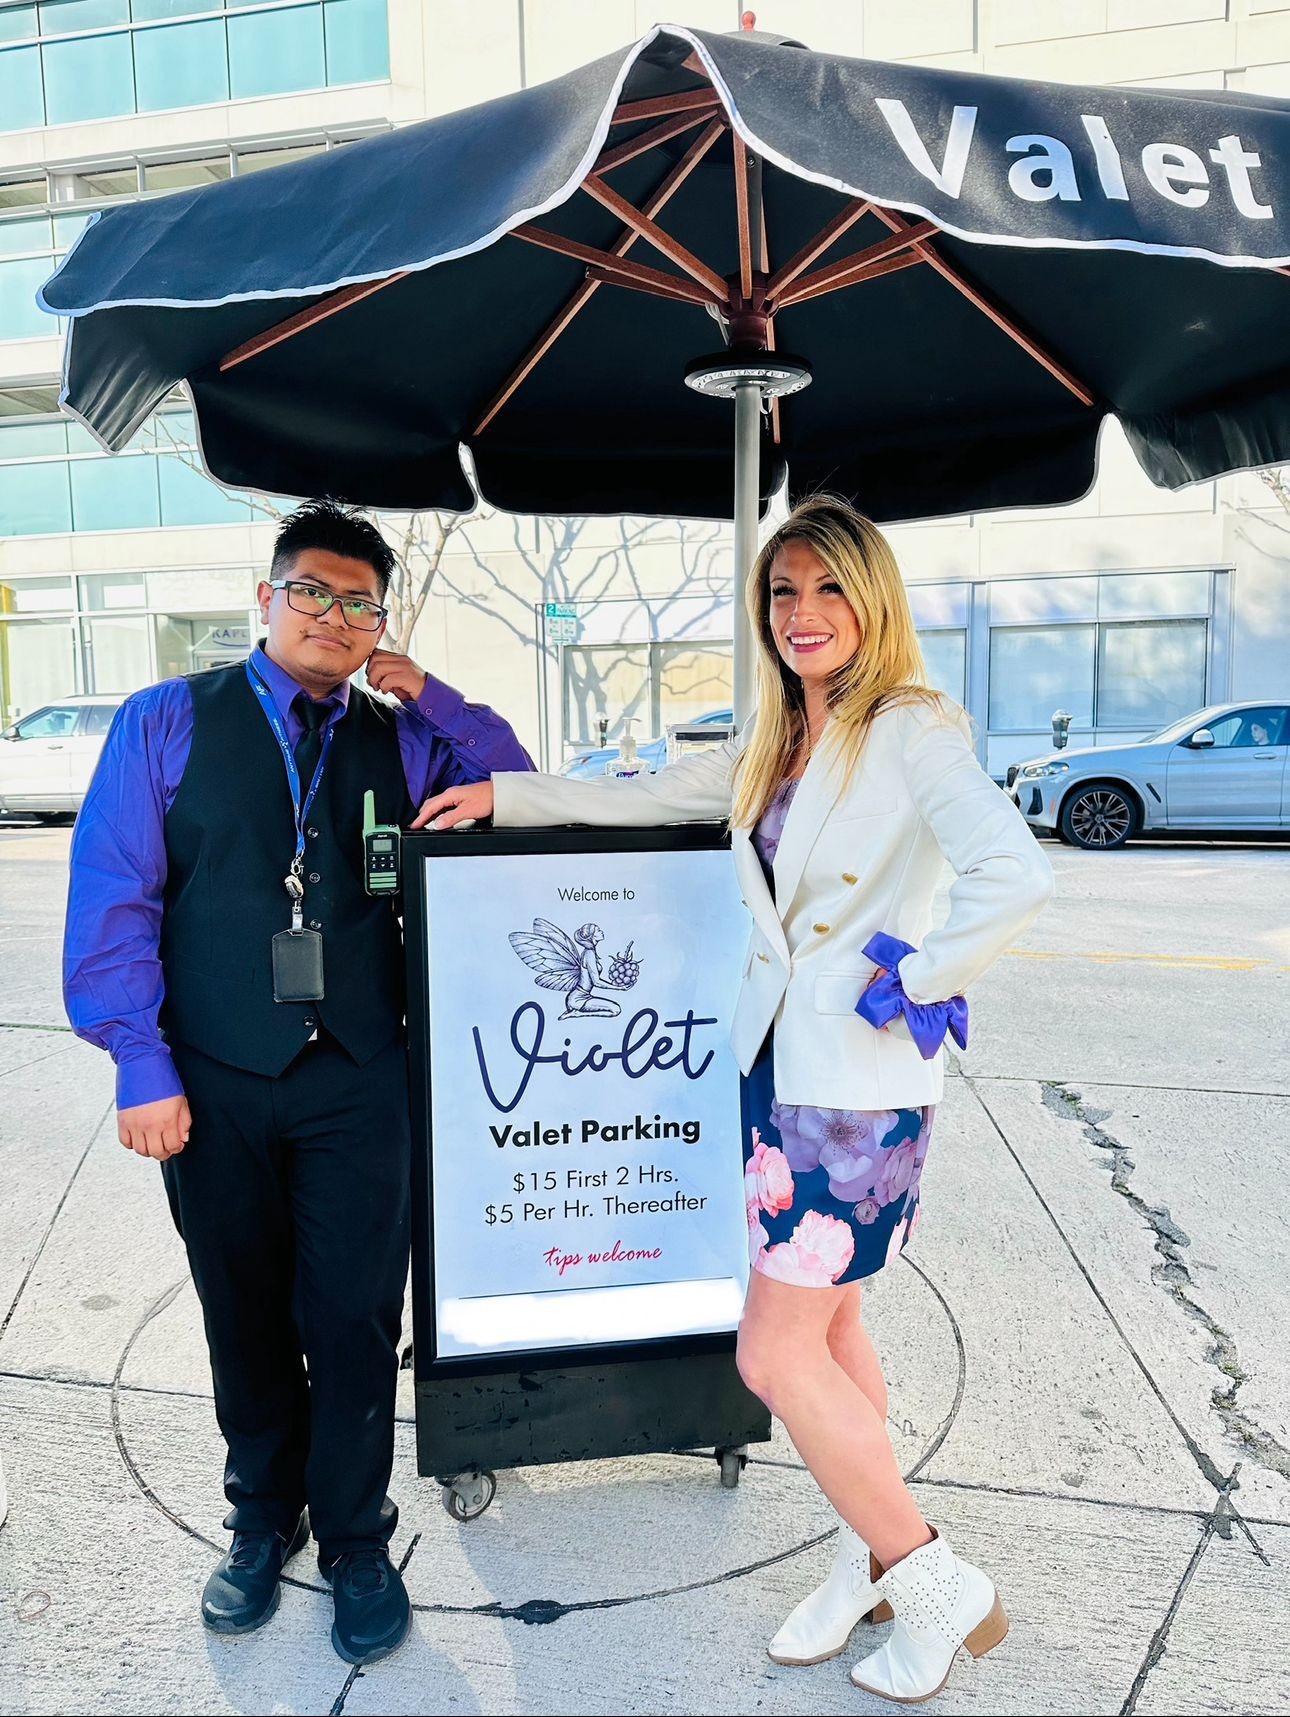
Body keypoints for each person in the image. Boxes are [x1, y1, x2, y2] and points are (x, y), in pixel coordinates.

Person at [417, 495, 1053, 1707]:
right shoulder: (784, 730)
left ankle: (932, 1581)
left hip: (852, 1095)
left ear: (872, 599)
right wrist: (512, 798)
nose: (802, 613)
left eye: (825, 587)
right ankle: (866, 1557)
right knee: (832, 1332)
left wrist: (910, 977)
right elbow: (657, 789)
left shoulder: (909, 725)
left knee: (771, 1352)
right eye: (781, 591)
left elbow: (1013, 874)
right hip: (781, 1076)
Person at [63, 499, 531, 1666]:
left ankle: (357, 1535)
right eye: (311, 591)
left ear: (381, 620)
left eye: (359, 600)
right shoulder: (166, 719)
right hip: (211, 1076)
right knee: (243, 1306)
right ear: (264, 599)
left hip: (363, 1074)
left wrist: (427, 690)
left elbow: (515, 778)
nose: (333, 614)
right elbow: (116, 897)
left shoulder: (400, 731)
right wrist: (139, 1060)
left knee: (359, 1314)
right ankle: (260, 1517)